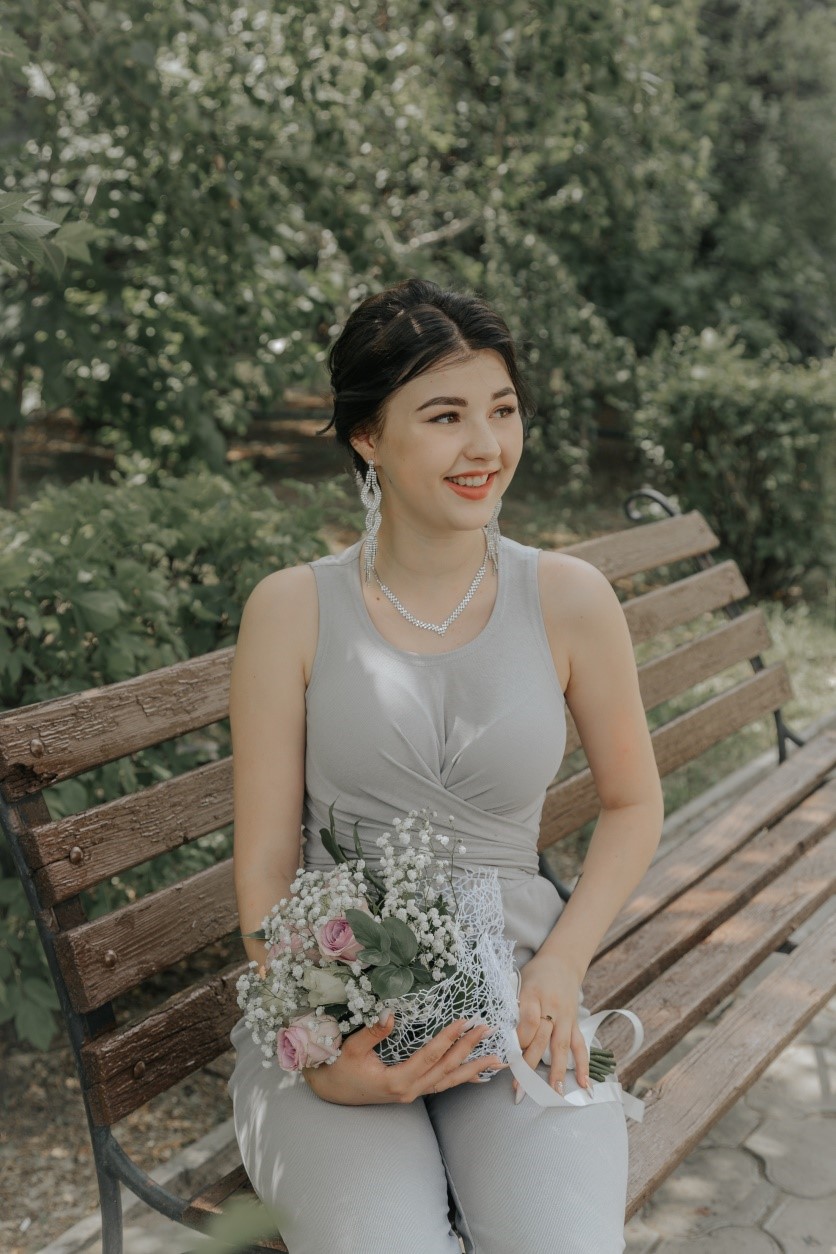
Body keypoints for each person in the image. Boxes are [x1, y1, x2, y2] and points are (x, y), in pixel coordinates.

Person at [227, 277, 665, 1253]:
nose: (486, 447)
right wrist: (321, 1051)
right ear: (366, 437)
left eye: (502, 412)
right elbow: (260, 869)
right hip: (335, 1012)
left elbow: (633, 803)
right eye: (444, 415)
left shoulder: (568, 599)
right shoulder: (291, 611)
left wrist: (559, 964)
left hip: (518, 1005)